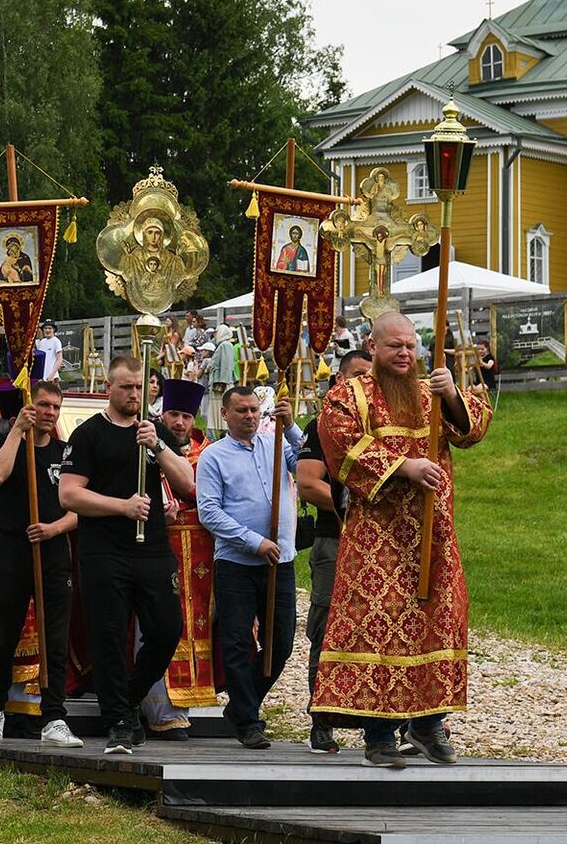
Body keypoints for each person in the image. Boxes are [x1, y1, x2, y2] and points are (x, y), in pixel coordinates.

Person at [313, 312, 492, 769]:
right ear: (373, 347)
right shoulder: (350, 395)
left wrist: (451, 393)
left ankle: (430, 723)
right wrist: (405, 467)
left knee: (439, 617)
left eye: (411, 346)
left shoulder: (430, 389)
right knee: (380, 626)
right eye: (395, 346)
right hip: (379, 541)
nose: (405, 355)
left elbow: (471, 430)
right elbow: (340, 446)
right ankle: (379, 735)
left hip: (433, 535)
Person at [58, 355, 196, 755]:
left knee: (168, 628)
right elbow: (68, 493)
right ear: (109, 387)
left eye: (140, 387)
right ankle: (117, 718)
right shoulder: (88, 435)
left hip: (152, 547)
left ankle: (130, 698)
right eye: (126, 387)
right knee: (110, 635)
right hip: (104, 549)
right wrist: (122, 506)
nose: (134, 394)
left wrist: (158, 447)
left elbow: (187, 482)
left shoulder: (153, 432)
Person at [0, 380, 81, 748]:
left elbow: (78, 511)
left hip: (52, 551)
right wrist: (17, 429)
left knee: (55, 637)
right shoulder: (5, 441)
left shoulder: (67, 453)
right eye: (43, 405)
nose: (50, 413)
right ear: (29, 407)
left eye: (55, 407)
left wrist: (53, 529)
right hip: (12, 547)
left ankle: (54, 717)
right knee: (6, 631)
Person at [195, 383, 305, 749]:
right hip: (237, 562)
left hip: (280, 561)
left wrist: (289, 426)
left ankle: (244, 705)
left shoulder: (276, 444)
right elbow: (209, 511)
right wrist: (253, 541)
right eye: (241, 410)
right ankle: (247, 720)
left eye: (255, 410)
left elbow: (307, 464)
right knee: (239, 641)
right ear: (225, 414)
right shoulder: (214, 456)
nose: (250, 416)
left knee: (281, 642)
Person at [295, 349, 373, 755]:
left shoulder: (384, 425)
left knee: (381, 632)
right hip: (336, 540)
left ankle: (385, 727)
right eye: (357, 375)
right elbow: (308, 484)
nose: (364, 383)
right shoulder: (320, 425)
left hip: (382, 547)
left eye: (370, 376)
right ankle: (321, 723)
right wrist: (359, 506)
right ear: (338, 381)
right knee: (326, 630)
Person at [139, 377, 213, 740]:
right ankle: (157, 709)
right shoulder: (145, 447)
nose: (179, 422)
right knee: (158, 624)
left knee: (194, 626)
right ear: (161, 414)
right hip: (159, 547)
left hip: (200, 553)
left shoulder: (207, 452)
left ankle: (183, 704)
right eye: (172, 414)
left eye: (185, 415)